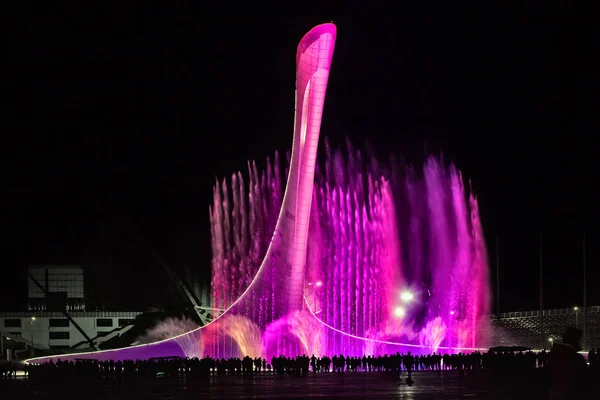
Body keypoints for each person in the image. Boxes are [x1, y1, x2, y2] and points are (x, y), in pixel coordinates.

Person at [546, 327, 588, 399]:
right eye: (580, 339)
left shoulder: (554, 355)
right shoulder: (576, 358)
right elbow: (583, 381)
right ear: (575, 340)